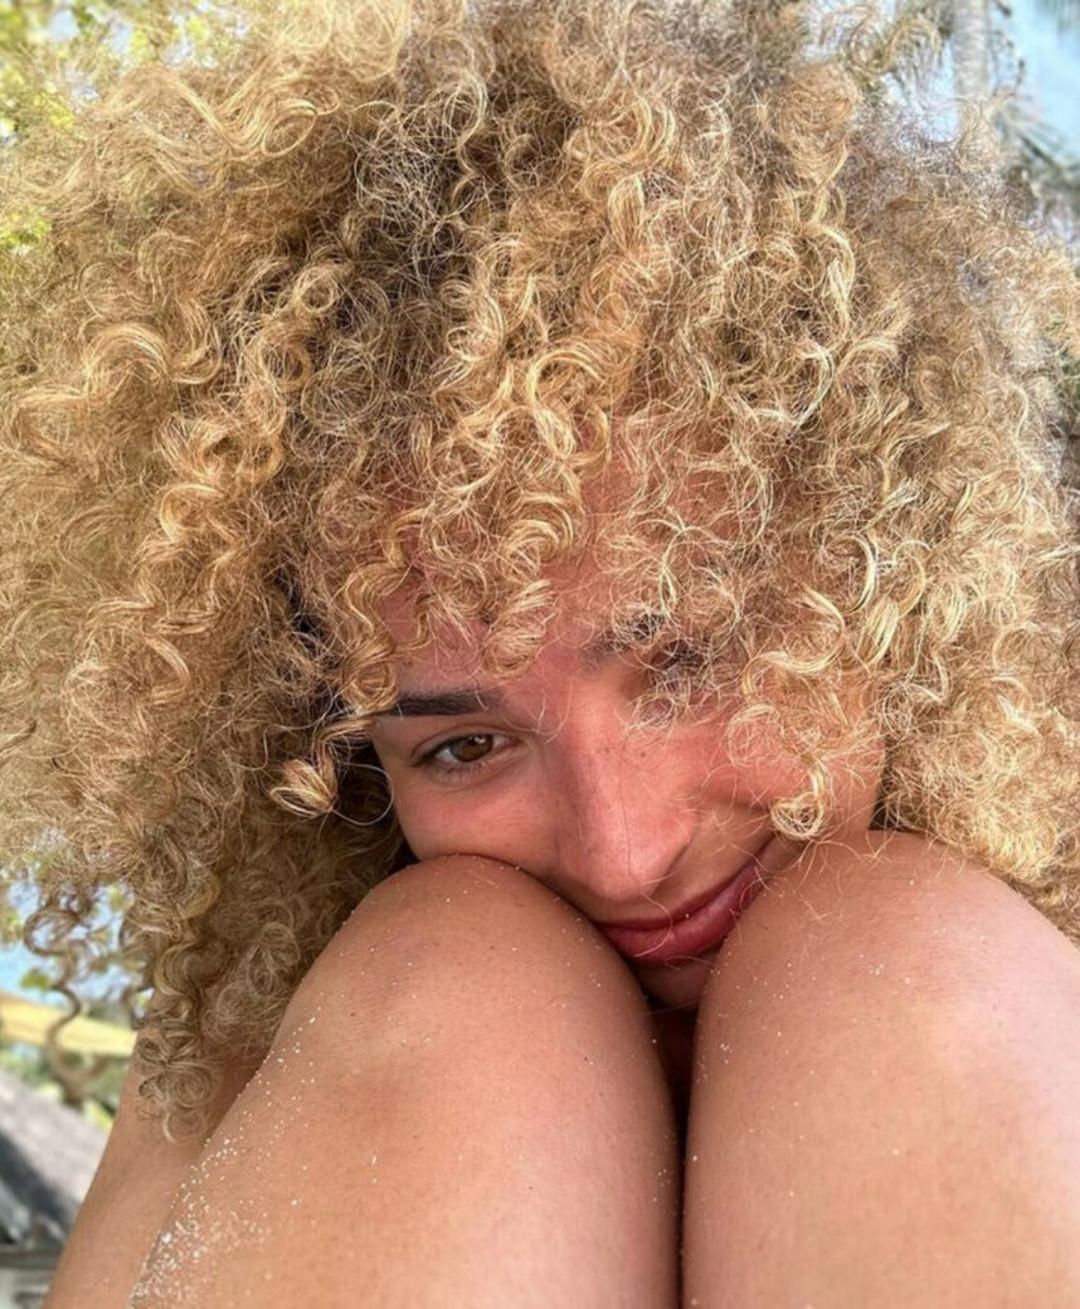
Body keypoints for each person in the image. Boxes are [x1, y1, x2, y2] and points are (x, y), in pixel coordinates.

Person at [1, 0, 1078, 1303]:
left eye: (690, 661)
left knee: (893, 946)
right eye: (464, 745)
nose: (625, 852)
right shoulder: (273, 1039)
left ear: (892, 561)